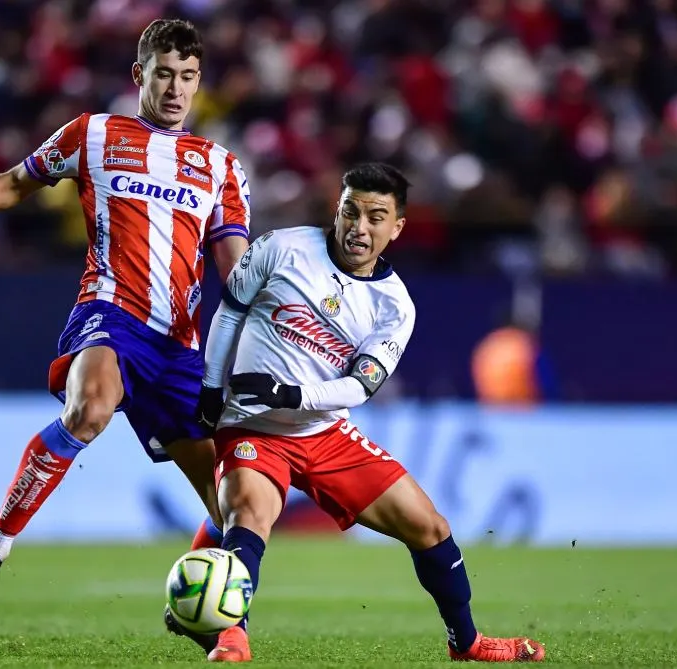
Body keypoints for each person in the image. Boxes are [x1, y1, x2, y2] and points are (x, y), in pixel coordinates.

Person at [0, 18, 249, 612]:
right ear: (140, 75)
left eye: (188, 76)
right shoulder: (93, 134)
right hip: (110, 312)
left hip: (179, 347)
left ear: (199, 82)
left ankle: (210, 620)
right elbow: (15, 183)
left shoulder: (220, 165)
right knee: (89, 408)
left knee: (234, 505)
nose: (176, 88)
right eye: (164, 74)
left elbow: (237, 269)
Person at [167, 163, 546, 663]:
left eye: (375, 217)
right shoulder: (281, 247)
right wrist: (213, 388)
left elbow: (359, 386)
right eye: (351, 212)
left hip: (325, 432)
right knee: (248, 513)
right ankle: (230, 636)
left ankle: (467, 642)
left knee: (430, 527)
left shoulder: (395, 306)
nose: (359, 228)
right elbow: (230, 311)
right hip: (253, 426)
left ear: (397, 227)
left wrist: (290, 395)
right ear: (337, 209)